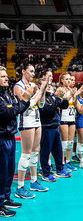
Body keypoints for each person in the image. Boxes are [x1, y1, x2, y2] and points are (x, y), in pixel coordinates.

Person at [0, 66, 33, 217]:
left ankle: (6, 197)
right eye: (3, 76)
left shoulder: (5, 94)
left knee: (8, 170)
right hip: (2, 138)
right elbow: (9, 112)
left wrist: (23, 102)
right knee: (1, 172)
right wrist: (25, 99)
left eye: (6, 75)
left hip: (10, 136)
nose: (6, 78)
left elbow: (15, 109)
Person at [14, 63, 48, 199]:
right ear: (23, 71)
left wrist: (43, 90)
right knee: (26, 154)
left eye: (34, 71)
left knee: (35, 152)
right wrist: (39, 92)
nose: (34, 74)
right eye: (31, 71)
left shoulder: (33, 85)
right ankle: (20, 187)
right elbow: (27, 105)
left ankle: (34, 181)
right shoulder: (18, 86)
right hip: (26, 120)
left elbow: (41, 104)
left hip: (36, 119)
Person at [39, 72, 72, 181]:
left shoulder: (52, 96)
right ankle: (46, 173)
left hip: (54, 126)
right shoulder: (42, 98)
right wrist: (58, 97)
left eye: (50, 85)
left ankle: (60, 169)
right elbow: (48, 109)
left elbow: (64, 106)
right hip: (46, 128)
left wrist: (64, 98)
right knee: (45, 152)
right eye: (47, 85)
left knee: (58, 150)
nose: (49, 87)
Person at [58, 72, 78, 172]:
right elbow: (63, 102)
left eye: (70, 79)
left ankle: (68, 161)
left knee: (70, 142)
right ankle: (61, 163)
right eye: (66, 79)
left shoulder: (71, 90)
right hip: (63, 119)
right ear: (62, 80)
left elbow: (74, 105)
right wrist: (72, 95)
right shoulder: (60, 90)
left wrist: (75, 96)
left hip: (71, 118)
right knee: (64, 143)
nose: (69, 81)